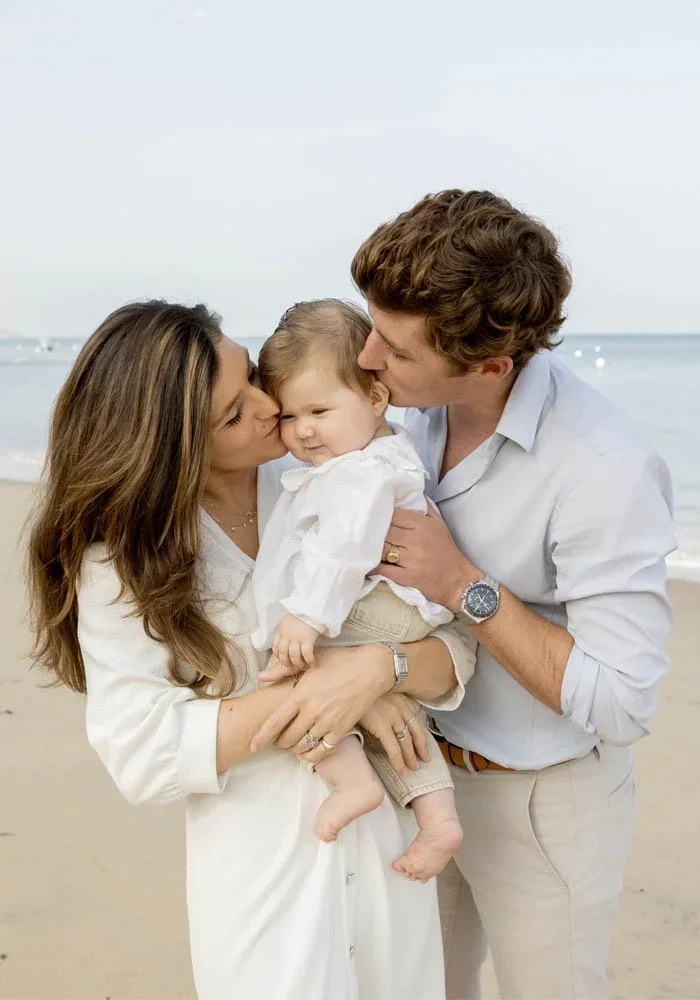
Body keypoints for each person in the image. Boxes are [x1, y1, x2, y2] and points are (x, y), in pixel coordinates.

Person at [26, 301, 475, 1000]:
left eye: (254, 376)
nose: (273, 407)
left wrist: (381, 669)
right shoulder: (123, 561)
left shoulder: (340, 480)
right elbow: (142, 753)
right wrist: (310, 691)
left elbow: (452, 641)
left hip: (391, 847)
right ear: (179, 448)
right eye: (235, 414)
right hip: (265, 873)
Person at [346, 189, 676, 999]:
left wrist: (462, 583)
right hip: (413, 778)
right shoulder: (402, 412)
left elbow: (624, 702)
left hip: (542, 804)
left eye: (396, 350)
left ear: (491, 366)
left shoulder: (604, 467)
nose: (366, 362)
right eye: (370, 331)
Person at [252, 298, 472, 881]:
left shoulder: (358, 473)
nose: (302, 430)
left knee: (297, 675)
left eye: (319, 410)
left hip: (375, 606)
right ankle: (437, 814)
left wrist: (306, 616)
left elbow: (343, 548)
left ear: (375, 399)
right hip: (396, 608)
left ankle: (351, 783)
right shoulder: (374, 455)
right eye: (287, 416)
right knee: (395, 714)